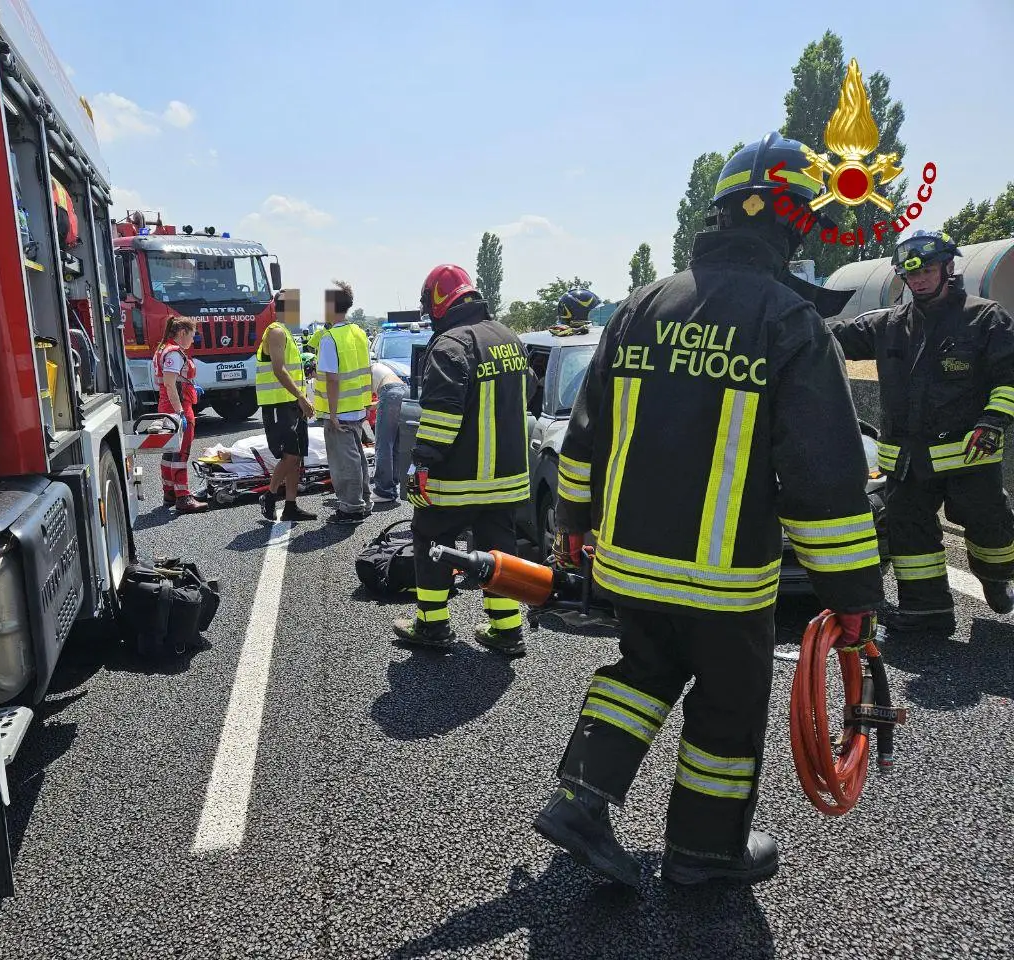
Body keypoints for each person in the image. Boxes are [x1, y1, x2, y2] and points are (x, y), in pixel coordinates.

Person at [534, 131, 885, 887]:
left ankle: (580, 799)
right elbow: (824, 483)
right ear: (794, 221)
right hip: (724, 579)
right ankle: (704, 852)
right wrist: (853, 599)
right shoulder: (790, 323)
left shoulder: (641, 306)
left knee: (644, 669)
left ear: (720, 211)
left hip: (629, 561)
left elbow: (584, 437)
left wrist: (571, 528)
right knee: (727, 710)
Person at [827, 230, 1014, 634]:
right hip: (908, 461)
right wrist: (791, 320)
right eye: (911, 275)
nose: (920, 280)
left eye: (927, 270)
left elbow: (1008, 378)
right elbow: (832, 338)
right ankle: (926, 612)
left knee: (991, 529)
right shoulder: (888, 325)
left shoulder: (985, 319)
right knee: (910, 535)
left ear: (948, 267)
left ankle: (995, 578)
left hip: (970, 454)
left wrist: (993, 421)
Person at [392, 265, 532, 657]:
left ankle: (432, 625)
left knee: (432, 542)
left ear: (438, 300)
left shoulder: (450, 344)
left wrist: (421, 465)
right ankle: (507, 630)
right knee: (498, 551)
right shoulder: (509, 338)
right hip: (506, 480)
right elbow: (528, 392)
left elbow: (441, 414)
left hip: (456, 480)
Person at [316, 282, 374, 524]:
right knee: (357, 456)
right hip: (357, 406)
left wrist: (331, 413)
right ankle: (364, 499)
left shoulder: (331, 338)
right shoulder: (358, 333)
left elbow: (332, 379)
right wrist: (367, 402)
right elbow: (367, 370)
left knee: (344, 462)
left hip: (339, 411)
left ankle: (351, 507)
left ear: (331, 306)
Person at [256, 314, 317, 523]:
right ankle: (270, 495)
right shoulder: (276, 332)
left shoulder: (289, 333)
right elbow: (279, 369)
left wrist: (301, 399)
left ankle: (290, 506)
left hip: (291, 403)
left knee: (297, 455)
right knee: (289, 455)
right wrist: (301, 397)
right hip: (278, 403)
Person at [154, 318, 207, 513]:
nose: (193, 340)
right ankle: (183, 497)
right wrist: (180, 412)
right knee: (181, 452)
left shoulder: (163, 349)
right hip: (177, 406)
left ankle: (169, 492)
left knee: (170, 451)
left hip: (168, 405)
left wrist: (192, 386)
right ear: (182, 332)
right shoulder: (174, 353)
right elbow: (170, 383)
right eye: (192, 335)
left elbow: (173, 380)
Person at [371, 359, 408, 502]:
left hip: (389, 392)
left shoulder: (362, 369)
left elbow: (364, 399)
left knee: (383, 444)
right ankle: (393, 484)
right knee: (395, 443)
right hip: (401, 389)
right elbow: (382, 401)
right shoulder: (379, 367)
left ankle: (384, 490)